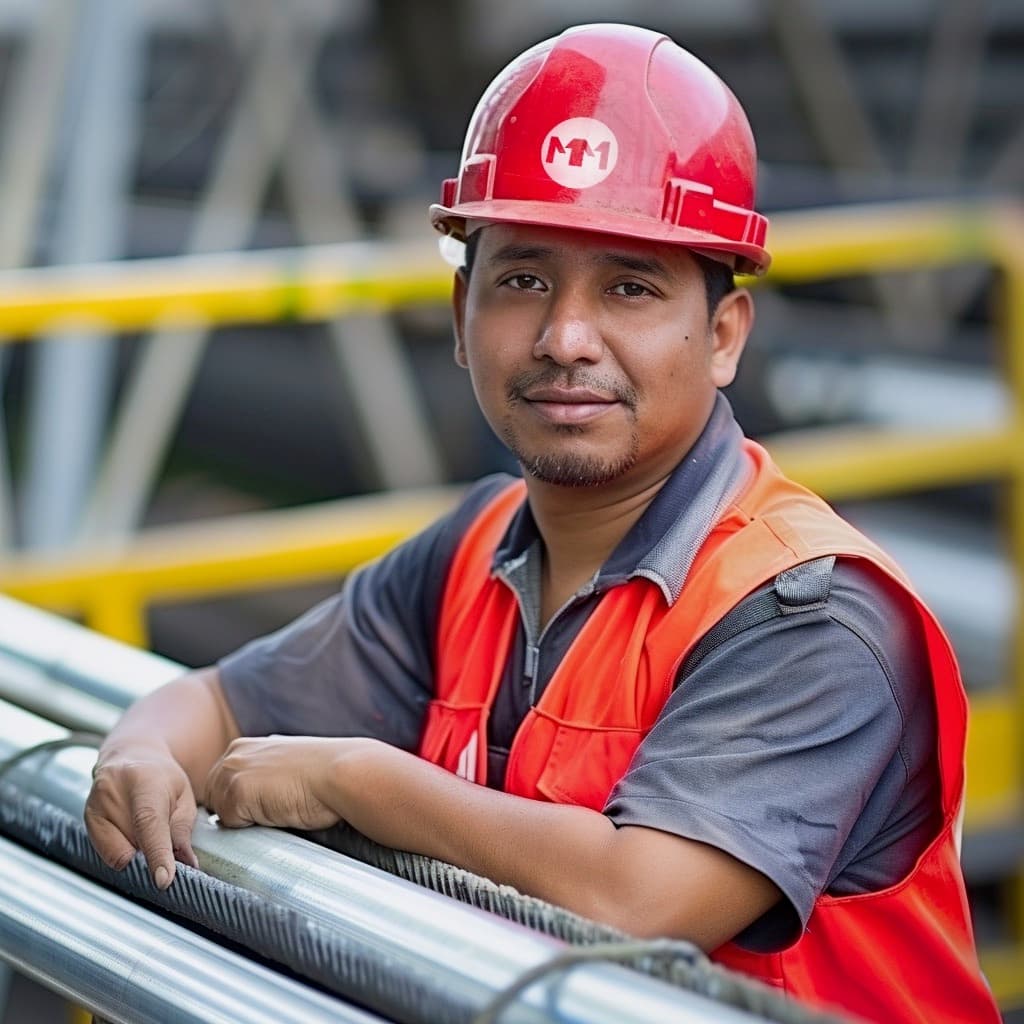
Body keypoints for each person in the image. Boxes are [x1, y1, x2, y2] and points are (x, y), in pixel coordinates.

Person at [85, 23, 998, 1024]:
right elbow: (218, 704)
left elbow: (640, 897)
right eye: (522, 279)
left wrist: (355, 776)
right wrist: (137, 752)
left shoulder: (807, 613)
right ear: (459, 310)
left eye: (630, 287)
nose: (565, 338)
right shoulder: (478, 549)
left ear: (725, 334)